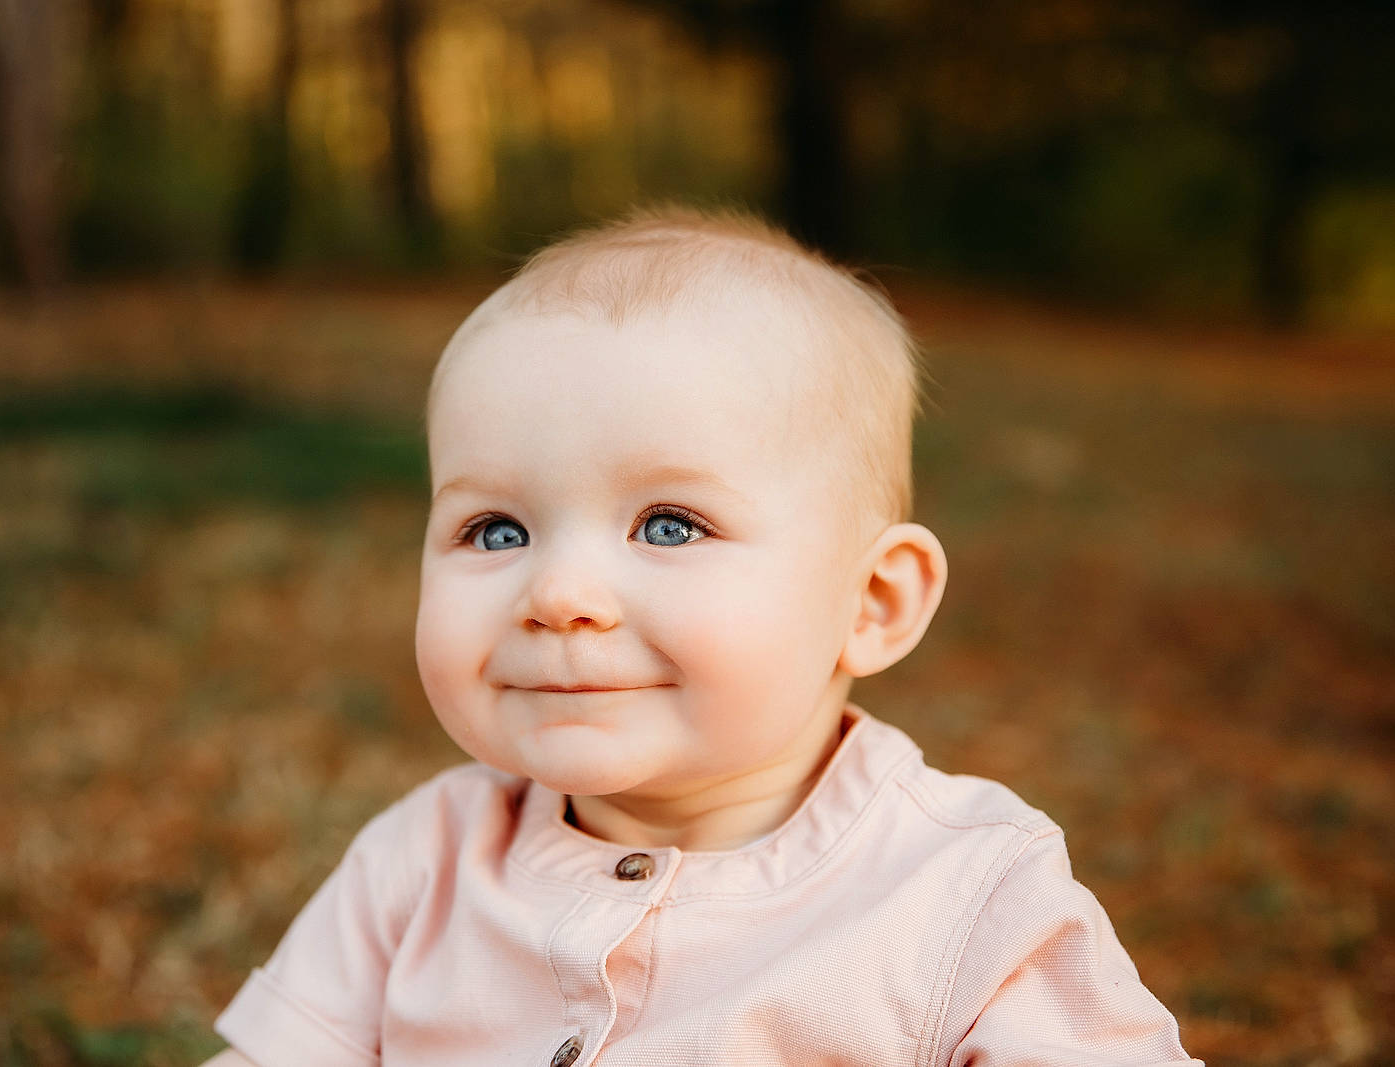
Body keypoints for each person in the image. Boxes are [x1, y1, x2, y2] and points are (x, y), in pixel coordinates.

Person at [200, 208, 1201, 1066]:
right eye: (493, 529)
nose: (556, 593)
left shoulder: (968, 893)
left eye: (669, 524)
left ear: (873, 601)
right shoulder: (422, 861)